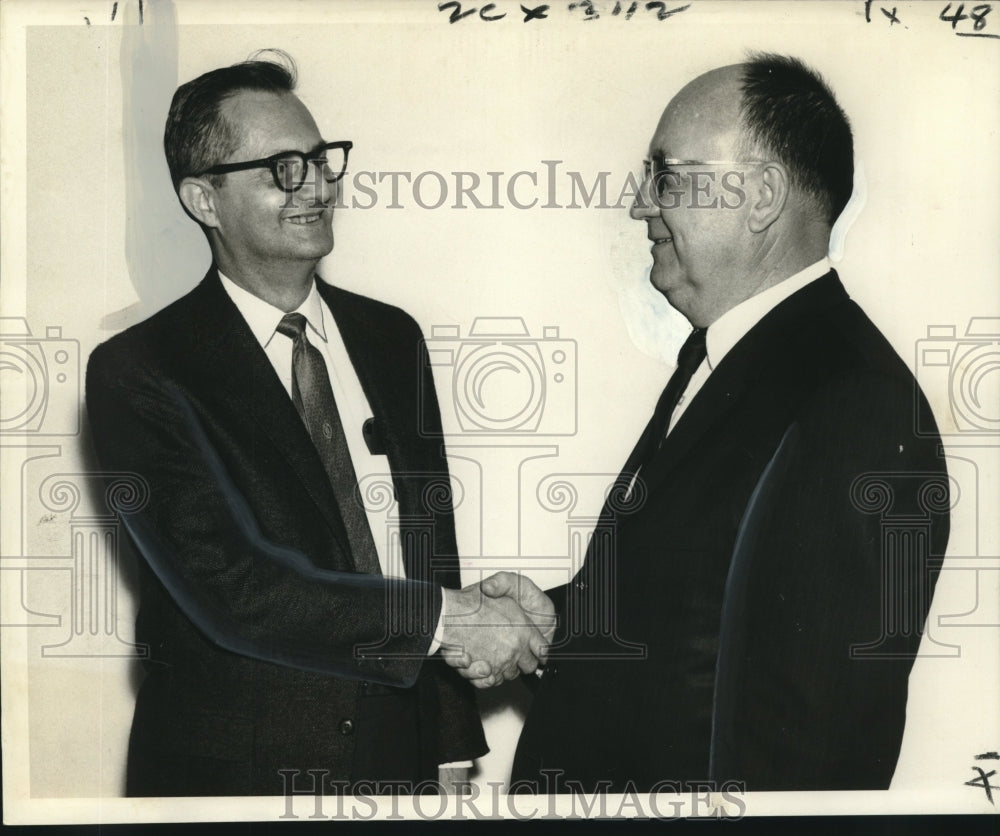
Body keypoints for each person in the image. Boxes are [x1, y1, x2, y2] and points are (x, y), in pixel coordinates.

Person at [85, 53, 552, 797]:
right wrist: (451, 620)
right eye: (281, 168)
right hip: (238, 778)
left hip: (399, 761)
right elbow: (233, 586)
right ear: (204, 199)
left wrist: (451, 745)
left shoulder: (391, 338)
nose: (318, 187)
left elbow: (429, 549)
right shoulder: (138, 371)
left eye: (319, 160)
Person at [507, 53, 950, 792]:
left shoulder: (855, 402)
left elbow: (816, 743)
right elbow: (699, 621)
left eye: (667, 176)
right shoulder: (731, 361)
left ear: (762, 195)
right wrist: (557, 622)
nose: (640, 205)